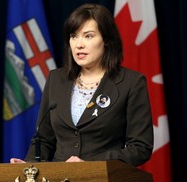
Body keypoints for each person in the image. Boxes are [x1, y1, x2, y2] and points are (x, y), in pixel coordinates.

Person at [10, 3, 153, 167]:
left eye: (88, 36)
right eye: (73, 36)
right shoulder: (56, 79)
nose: (78, 44)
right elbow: (44, 139)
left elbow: (140, 148)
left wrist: (90, 163)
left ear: (106, 40)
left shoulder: (131, 82)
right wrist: (28, 165)